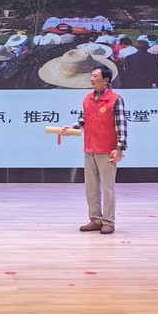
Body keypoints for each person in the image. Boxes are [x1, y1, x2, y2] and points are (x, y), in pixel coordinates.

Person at [65, 66, 127, 235]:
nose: (92, 79)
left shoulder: (115, 100)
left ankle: (108, 221)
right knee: (91, 188)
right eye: (91, 76)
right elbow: (83, 120)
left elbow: (121, 125)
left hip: (107, 151)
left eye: (95, 76)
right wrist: (71, 129)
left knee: (108, 188)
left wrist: (120, 148)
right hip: (89, 149)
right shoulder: (88, 98)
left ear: (106, 80)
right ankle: (95, 219)